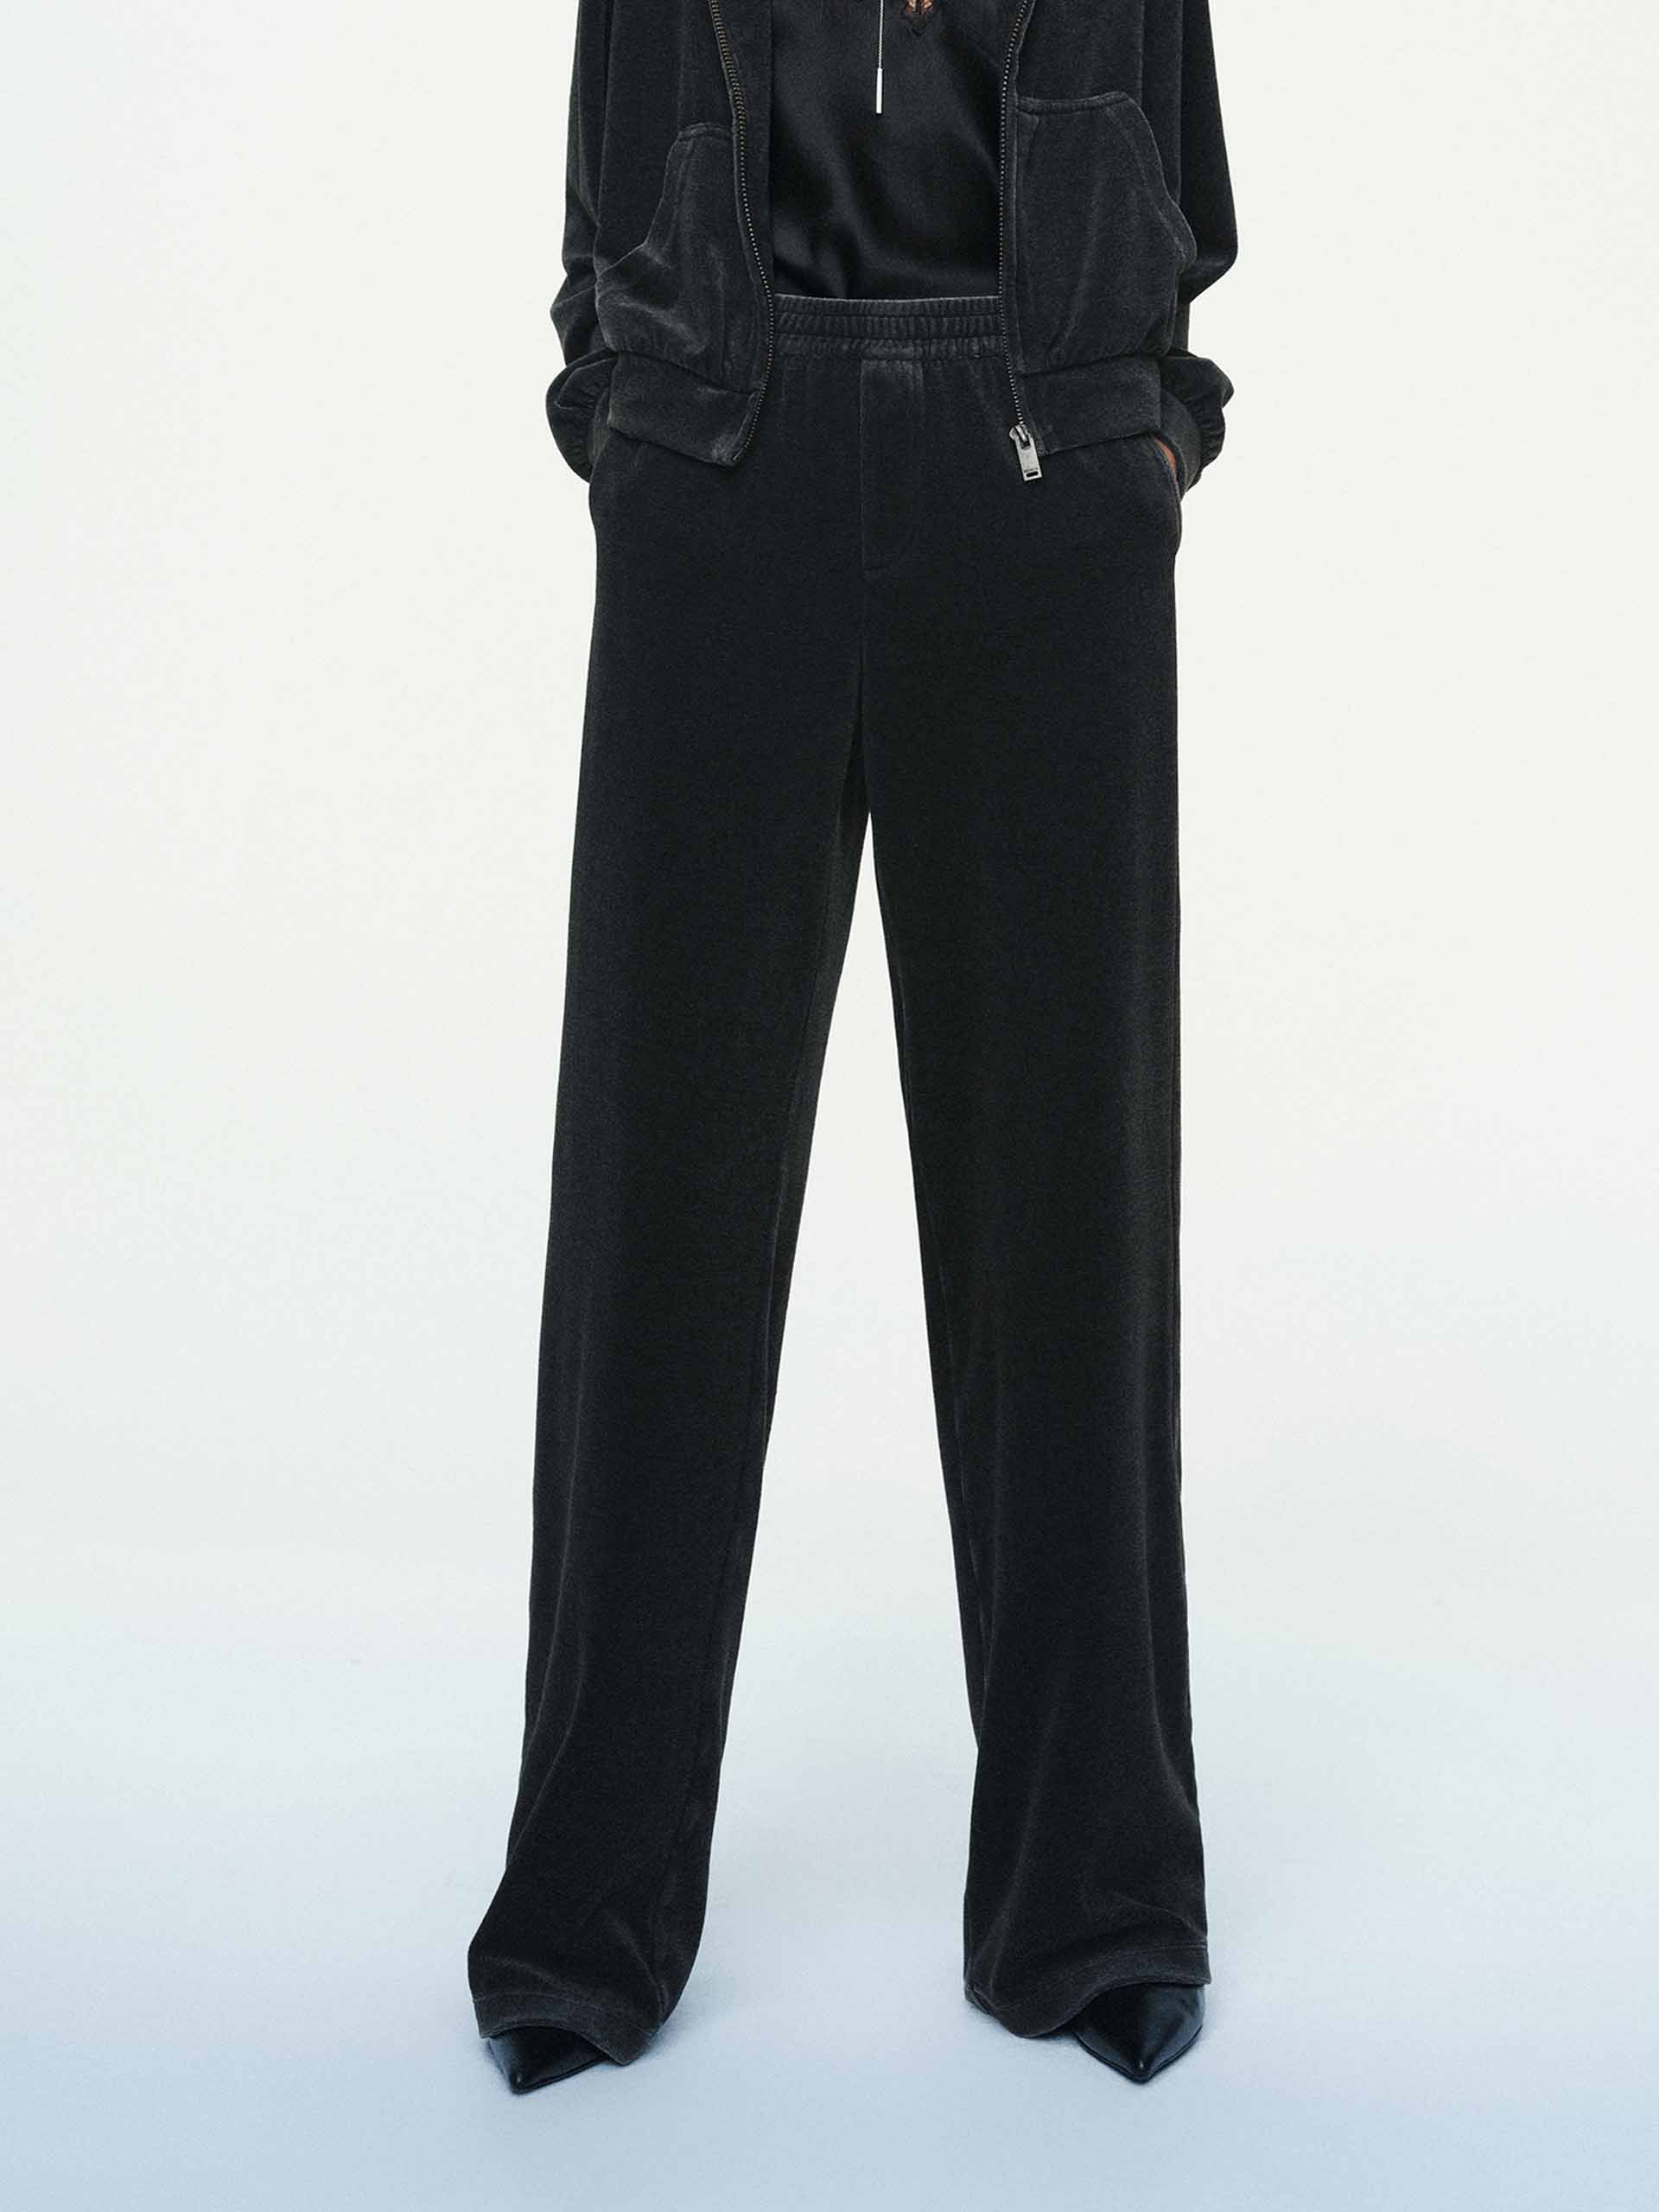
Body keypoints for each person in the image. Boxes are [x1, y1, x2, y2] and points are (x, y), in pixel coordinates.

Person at [467, 0, 1237, 2094]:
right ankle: (586, 1909)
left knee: (1069, 1208)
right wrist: (634, 424)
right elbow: (608, 168)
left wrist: (1139, 436)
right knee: (660, 1207)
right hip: (728, 461)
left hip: (1039, 463)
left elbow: (1182, 175)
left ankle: (1097, 1893)